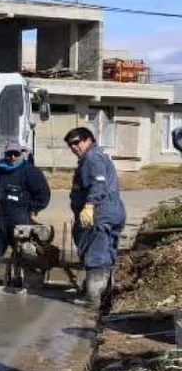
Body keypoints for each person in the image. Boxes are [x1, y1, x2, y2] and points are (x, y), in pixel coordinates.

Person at [65, 126, 126, 306]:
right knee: (106, 253)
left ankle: (92, 298)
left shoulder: (92, 157)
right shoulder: (96, 157)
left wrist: (90, 205)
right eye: (70, 145)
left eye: (77, 142)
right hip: (111, 211)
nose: (74, 147)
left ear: (88, 140)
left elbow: (98, 183)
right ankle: (105, 296)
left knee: (95, 252)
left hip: (100, 212)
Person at [0, 140, 51, 257]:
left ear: (21, 153)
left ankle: (22, 274)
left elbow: (43, 194)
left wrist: (33, 210)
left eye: (16, 154)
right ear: (4, 154)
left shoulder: (30, 171)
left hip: (22, 223)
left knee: (26, 257)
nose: (12, 157)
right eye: (9, 154)